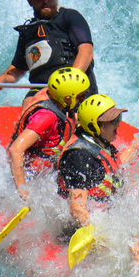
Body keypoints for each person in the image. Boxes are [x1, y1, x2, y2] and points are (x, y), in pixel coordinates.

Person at [0, 0, 97, 105]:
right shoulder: (27, 32)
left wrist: (70, 81)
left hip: (75, 88)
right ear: (29, 0)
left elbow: (86, 51)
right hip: (44, 92)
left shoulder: (70, 17)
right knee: (28, 101)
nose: (46, 1)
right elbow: (18, 70)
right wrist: (0, 79)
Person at [8, 67, 89, 201]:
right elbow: (15, 149)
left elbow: (65, 118)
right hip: (32, 175)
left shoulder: (54, 99)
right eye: (81, 96)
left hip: (44, 172)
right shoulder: (46, 117)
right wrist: (24, 192)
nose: (82, 99)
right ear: (67, 98)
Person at [57, 94, 126, 227]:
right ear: (94, 126)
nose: (119, 123)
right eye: (113, 120)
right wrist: (100, 238)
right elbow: (76, 210)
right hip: (76, 228)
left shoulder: (102, 143)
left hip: (106, 213)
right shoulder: (79, 158)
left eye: (119, 118)